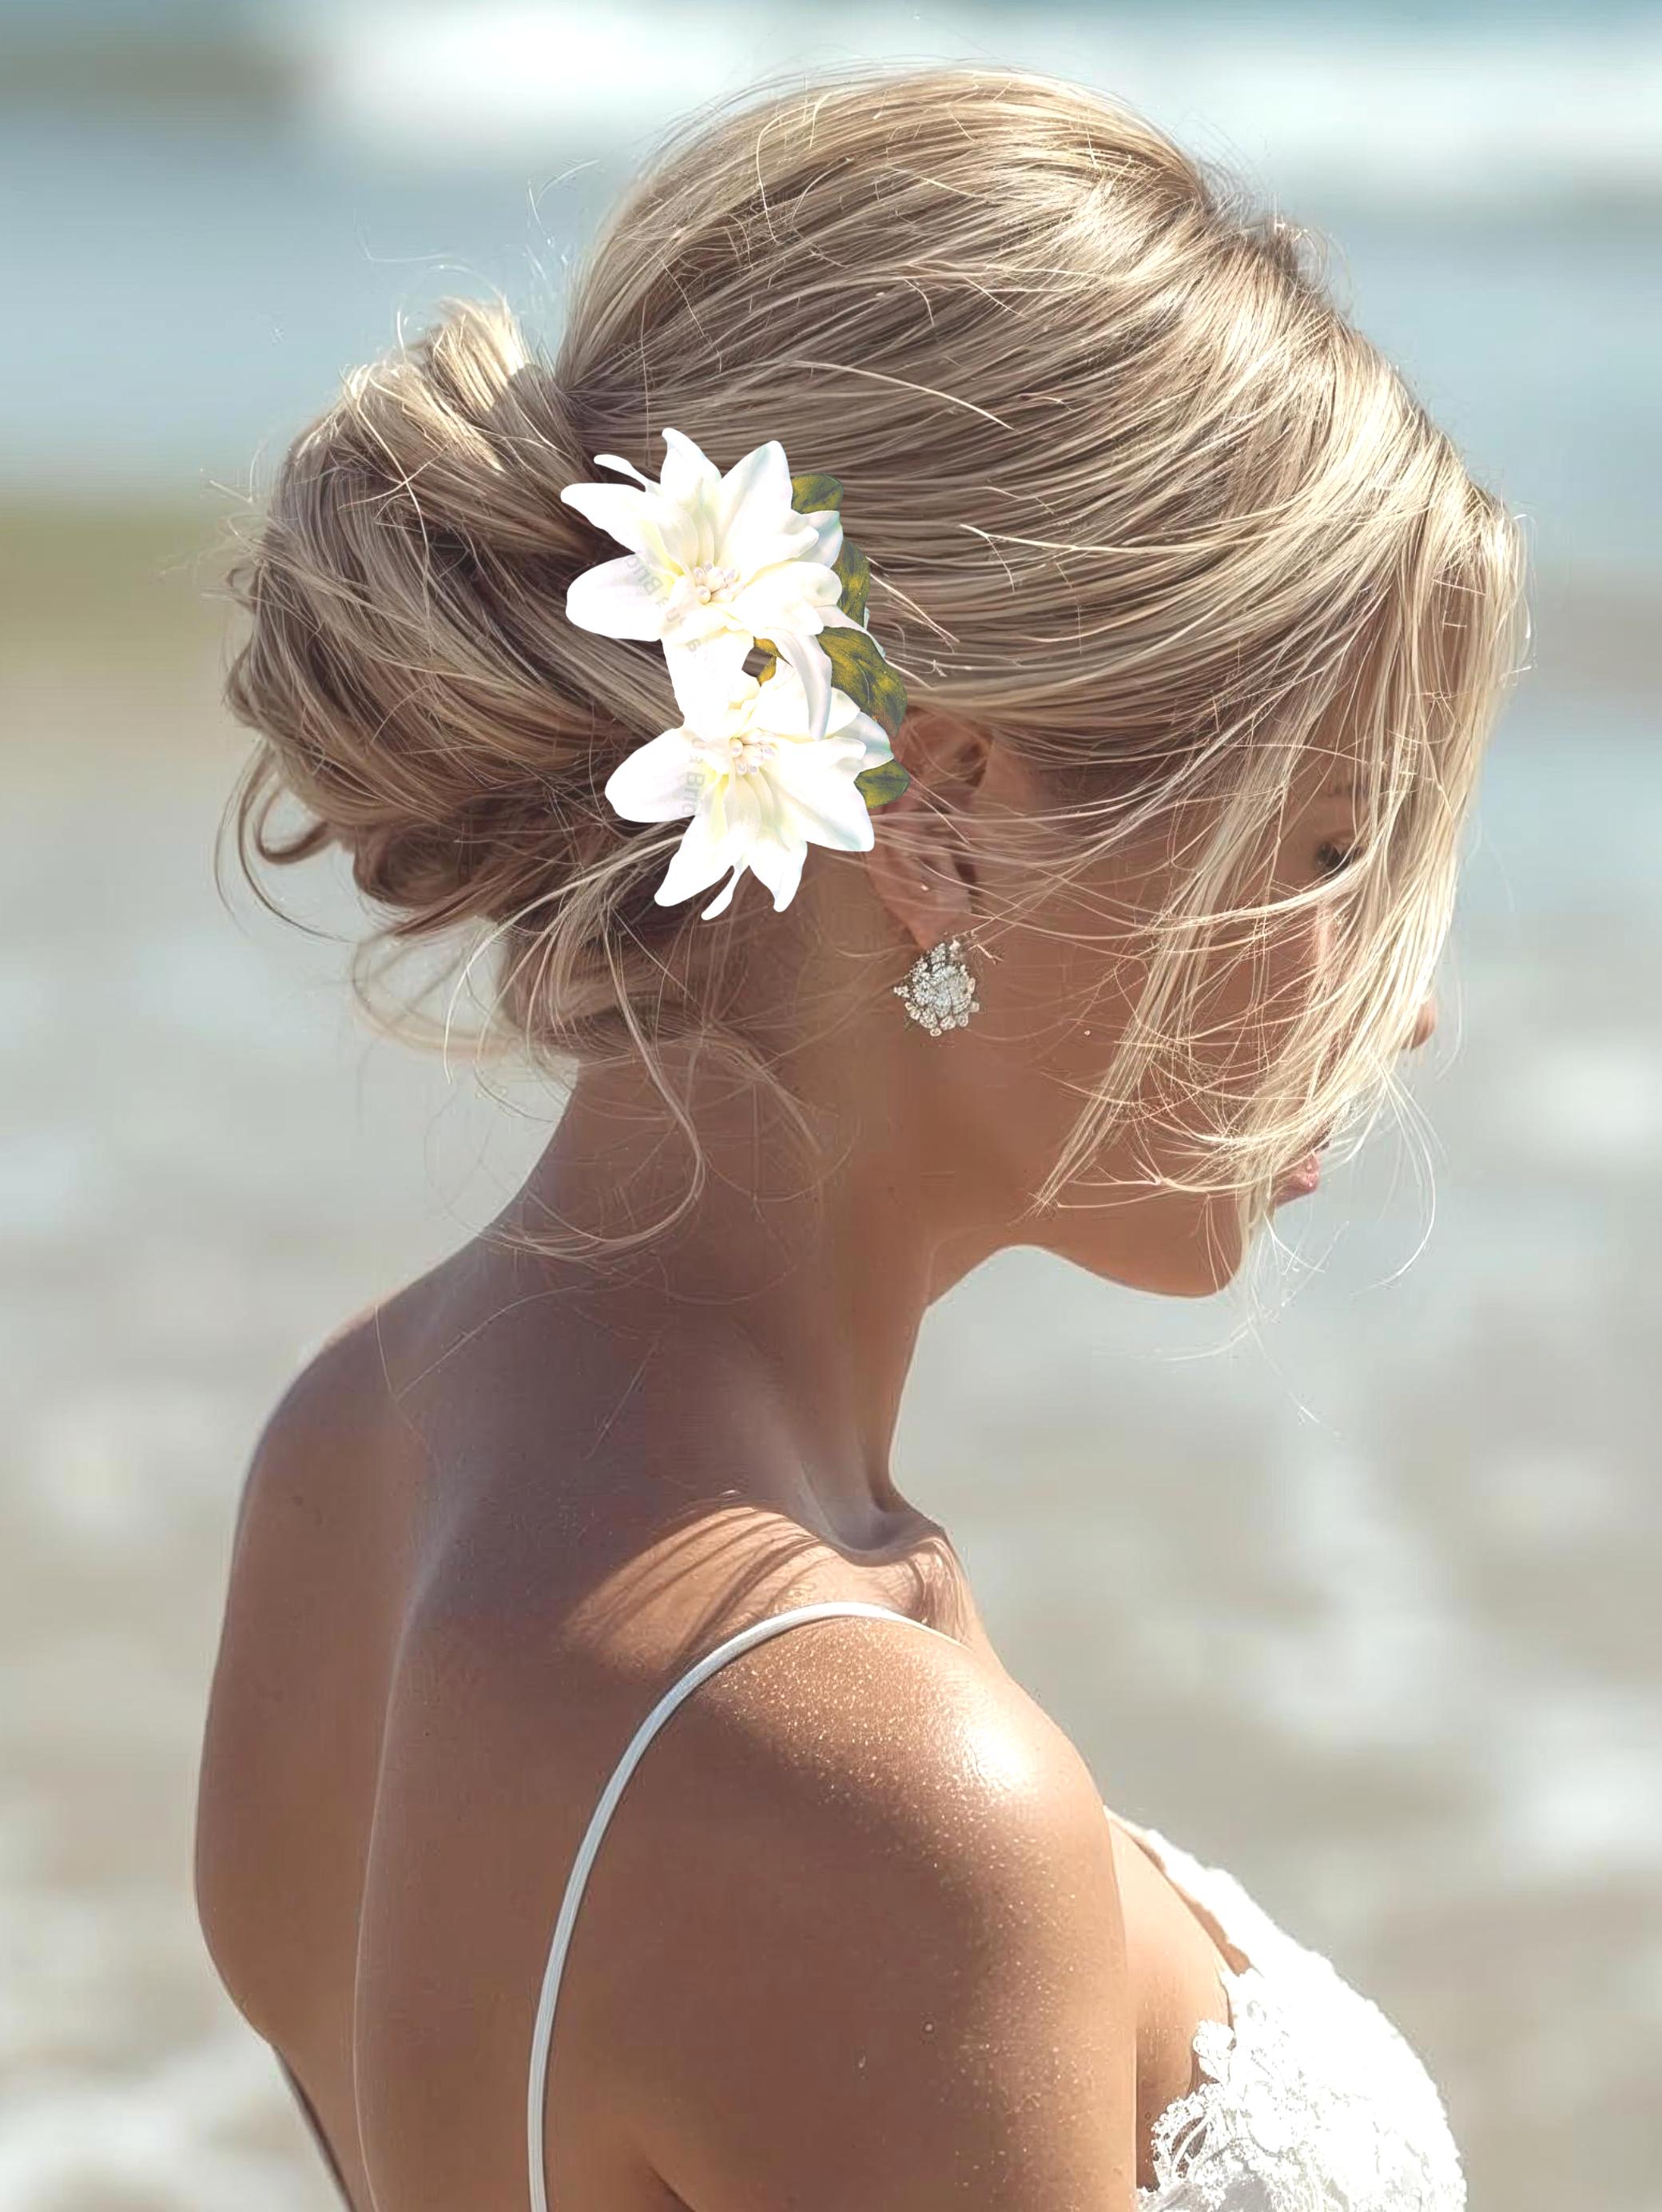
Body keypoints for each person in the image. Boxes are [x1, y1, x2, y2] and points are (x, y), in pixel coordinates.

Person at [192, 58, 1529, 2212]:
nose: (1406, 993)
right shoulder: (870, 1794)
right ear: (951, 818)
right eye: (1330, 843)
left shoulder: (354, 1455)